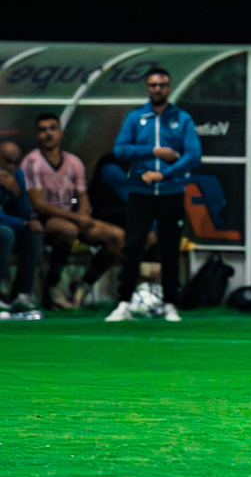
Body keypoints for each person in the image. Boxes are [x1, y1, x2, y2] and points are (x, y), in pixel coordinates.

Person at [107, 66, 202, 322]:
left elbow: (193, 155)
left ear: (169, 88)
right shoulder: (136, 117)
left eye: (162, 85)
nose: (158, 89)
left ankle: (171, 303)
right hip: (141, 191)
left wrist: (166, 173)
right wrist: (153, 151)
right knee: (133, 247)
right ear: (147, 88)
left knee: (170, 248)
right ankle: (124, 302)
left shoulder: (182, 118)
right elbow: (120, 150)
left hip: (171, 192)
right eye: (153, 85)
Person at [24, 112, 123, 307]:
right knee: (68, 230)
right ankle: (52, 287)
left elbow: (83, 195)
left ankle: (83, 286)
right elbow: (39, 204)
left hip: (74, 217)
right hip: (46, 219)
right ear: (37, 135)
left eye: (52, 128)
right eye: (43, 130)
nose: (48, 134)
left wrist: (84, 215)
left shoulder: (73, 161)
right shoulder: (32, 162)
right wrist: (75, 219)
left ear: (61, 132)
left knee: (117, 236)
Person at [0, 140, 45, 307]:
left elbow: (25, 213)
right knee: (6, 233)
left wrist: (16, 192)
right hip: (4, 230)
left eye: (15, 162)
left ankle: (21, 294)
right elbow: (22, 220)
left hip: (8, 227)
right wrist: (23, 223)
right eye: (7, 161)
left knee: (34, 233)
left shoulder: (17, 175)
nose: (11, 166)